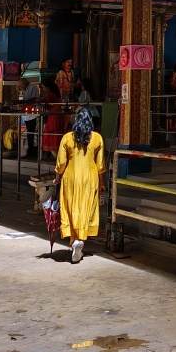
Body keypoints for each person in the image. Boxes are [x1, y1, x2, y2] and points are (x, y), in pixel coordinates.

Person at [54, 108, 105, 264]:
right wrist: (102, 183)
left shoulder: (67, 138)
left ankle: (74, 240)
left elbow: (62, 163)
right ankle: (80, 240)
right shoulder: (97, 138)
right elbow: (100, 164)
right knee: (86, 208)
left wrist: (57, 177)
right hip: (91, 178)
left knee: (70, 208)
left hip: (71, 177)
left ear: (76, 121)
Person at [40, 81, 65, 158]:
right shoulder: (56, 95)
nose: (43, 89)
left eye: (44, 87)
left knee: (51, 135)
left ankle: (59, 160)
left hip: (53, 117)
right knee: (55, 136)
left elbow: (44, 101)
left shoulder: (50, 94)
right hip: (58, 116)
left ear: (48, 88)